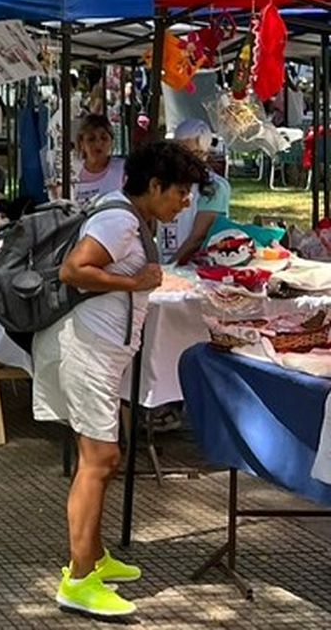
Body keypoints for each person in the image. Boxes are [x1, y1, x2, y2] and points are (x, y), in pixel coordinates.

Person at [32, 140, 209, 619]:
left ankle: (92, 556)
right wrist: (134, 284)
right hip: (87, 348)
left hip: (100, 351)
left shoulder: (127, 216)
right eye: (181, 192)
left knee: (103, 458)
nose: (186, 202)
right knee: (100, 459)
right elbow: (75, 270)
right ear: (154, 186)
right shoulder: (120, 220)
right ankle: (80, 579)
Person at [166, 118, 232, 265]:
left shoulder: (215, 186)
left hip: (196, 269)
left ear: (205, 153)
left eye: (194, 153)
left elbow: (199, 236)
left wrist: (169, 267)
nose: (185, 159)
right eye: (180, 151)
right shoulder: (164, 181)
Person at [70, 114, 125, 206]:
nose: (98, 143)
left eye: (104, 138)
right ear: (81, 143)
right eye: (91, 139)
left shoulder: (123, 170)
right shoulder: (72, 173)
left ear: (111, 142)